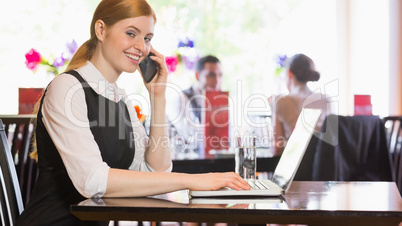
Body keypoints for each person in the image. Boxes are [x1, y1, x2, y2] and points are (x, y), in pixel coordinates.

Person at [16, 1, 249, 225]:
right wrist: (193, 181)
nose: (142, 47)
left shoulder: (120, 98)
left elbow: (154, 171)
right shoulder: (67, 88)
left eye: (147, 38)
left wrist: (157, 97)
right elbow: (93, 181)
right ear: (101, 29)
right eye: (131, 33)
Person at [273, 53, 332, 156]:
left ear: (290, 73)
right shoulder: (325, 100)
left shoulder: (281, 101)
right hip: (323, 166)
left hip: (295, 167)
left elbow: (277, 147)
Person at [167, 55, 223, 157]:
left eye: (220, 76)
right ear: (197, 76)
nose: (217, 81)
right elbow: (191, 136)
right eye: (211, 75)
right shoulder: (182, 99)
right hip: (188, 163)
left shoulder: (221, 102)